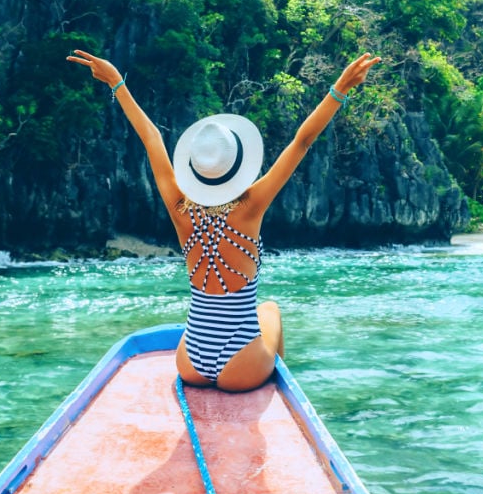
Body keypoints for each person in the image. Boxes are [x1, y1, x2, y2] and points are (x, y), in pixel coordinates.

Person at [67, 49, 381, 391]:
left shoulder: (179, 207)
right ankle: (279, 393)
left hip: (191, 362)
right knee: (271, 309)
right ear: (237, 168)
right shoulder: (250, 206)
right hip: (241, 364)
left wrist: (117, 82)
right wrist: (340, 89)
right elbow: (302, 141)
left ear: (195, 171)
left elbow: (151, 138)